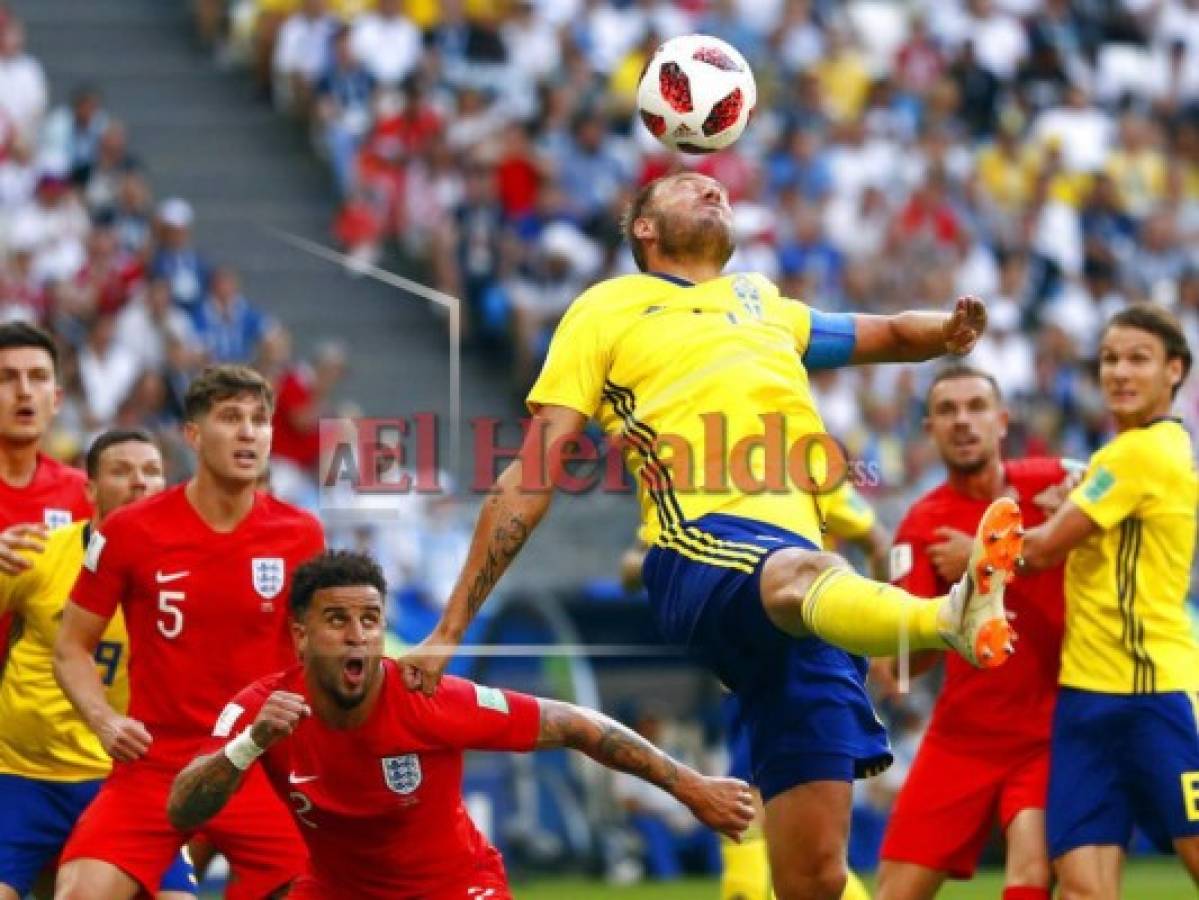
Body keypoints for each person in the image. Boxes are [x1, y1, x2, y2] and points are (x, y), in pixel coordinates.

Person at [401, 171, 1024, 900]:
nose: (712, 189)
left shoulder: (758, 299)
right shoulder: (605, 308)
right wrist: (450, 627)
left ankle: (923, 620)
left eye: (716, 186)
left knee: (814, 875)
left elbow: (882, 332)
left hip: (805, 600)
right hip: (698, 548)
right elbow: (529, 477)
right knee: (799, 570)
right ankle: (944, 618)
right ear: (642, 226)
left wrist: (944, 332)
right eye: (688, 185)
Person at [165, 549, 755, 899]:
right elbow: (183, 808)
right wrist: (250, 745)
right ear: (300, 635)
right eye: (337, 620)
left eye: (370, 619)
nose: (357, 635)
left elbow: (575, 723)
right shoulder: (260, 711)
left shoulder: (425, 699)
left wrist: (693, 787)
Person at [52, 365, 325, 900]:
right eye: (230, 417)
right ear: (193, 435)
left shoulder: (301, 534)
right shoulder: (129, 531)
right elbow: (70, 648)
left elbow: (316, 661)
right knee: (78, 893)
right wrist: (104, 720)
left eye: (260, 419)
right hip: (155, 767)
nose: (249, 432)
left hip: (260, 768)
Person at [1016, 305, 1199, 895]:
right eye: (1110, 359)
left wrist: (976, 547)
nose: (1119, 372)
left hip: (1154, 695)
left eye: (1137, 359)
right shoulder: (1129, 453)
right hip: (1088, 698)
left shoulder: (1138, 453)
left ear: (1175, 370)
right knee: (1081, 887)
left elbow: (1041, 551)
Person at [873, 364, 1074, 900]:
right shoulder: (921, 525)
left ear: (1002, 420)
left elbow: (1128, 486)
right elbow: (906, 663)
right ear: (928, 428)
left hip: (1049, 727)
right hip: (961, 735)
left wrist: (980, 559)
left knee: (1030, 872)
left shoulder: (1055, 482)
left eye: (976, 407)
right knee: (894, 891)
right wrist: (943, 616)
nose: (963, 422)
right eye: (947, 410)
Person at [0, 429, 195, 900]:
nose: (138, 482)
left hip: (127, 781)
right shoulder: (39, 553)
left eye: (151, 472)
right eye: (121, 471)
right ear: (89, 490)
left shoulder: (189, 571)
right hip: (24, 777)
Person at [0, 323, 92, 666]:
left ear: (56, 399)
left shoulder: (83, 493)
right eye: (6, 378)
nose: (24, 391)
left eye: (38, 377)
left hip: (43, 704)